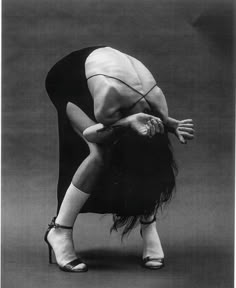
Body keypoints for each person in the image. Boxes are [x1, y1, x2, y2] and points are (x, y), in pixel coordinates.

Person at [44, 46, 194, 272]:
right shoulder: (109, 98)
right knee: (100, 152)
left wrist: (171, 125)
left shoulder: (156, 99)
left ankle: (148, 226)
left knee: (147, 155)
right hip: (68, 75)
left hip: (109, 72)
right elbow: (90, 134)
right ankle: (59, 231)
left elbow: (160, 126)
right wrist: (125, 123)